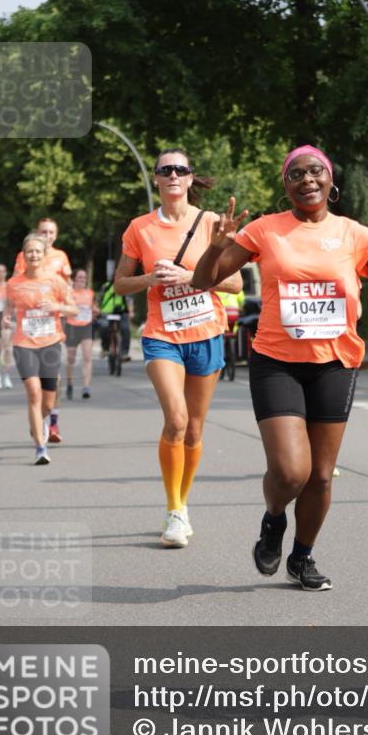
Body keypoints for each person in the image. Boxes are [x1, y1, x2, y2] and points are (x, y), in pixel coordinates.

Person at [192, 145, 368, 591]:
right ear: (287, 185)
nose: (307, 179)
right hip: (277, 361)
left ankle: (302, 556)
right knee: (290, 472)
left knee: (320, 476)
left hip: (335, 363)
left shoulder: (355, 234)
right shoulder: (264, 230)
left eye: (315, 170)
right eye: (296, 174)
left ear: (329, 179)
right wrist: (218, 244)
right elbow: (204, 280)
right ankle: (274, 520)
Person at [113, 148, 243, 548]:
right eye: (165, 170)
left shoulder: (212, 224)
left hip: (205, 332)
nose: (172, 175)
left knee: (196, 429)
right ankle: (173, 511)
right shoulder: (139, 228)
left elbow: (236, 285)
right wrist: (150, 278)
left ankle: (183, 504)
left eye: (180, 169)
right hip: (161, 334)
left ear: (190, 178)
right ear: (155, 179)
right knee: (177, 419)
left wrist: (189, 275)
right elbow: (119, 283)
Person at [5, 234, 77, 465]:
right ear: (23, 256)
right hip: (24, 343)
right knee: (33, 393)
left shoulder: (56, 281)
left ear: (44, 255)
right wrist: (6, 318)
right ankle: (40, 447)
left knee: (47, 401)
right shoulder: (13, 284)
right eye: (29, 252)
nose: (33, 255)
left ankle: (39, 422)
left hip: (50, 342)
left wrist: (57, 306)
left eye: (37, 251)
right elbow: (7, 309)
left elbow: (74, 309)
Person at [14, 218, 71, 443]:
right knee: (35, 385)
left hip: (54, 322)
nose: (47, 236)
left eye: (51, 232)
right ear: (37, 234)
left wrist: (63, 309)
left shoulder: (61, 257)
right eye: (43, 232)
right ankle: (40, 421)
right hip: (29, 324)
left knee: (53, 378)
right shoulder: (26, 255)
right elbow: (19, 284)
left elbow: (66, 290)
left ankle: (51, 421)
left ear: (55, 236)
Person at [65, 269, 97, 399]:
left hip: (86, 327)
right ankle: (69, 383)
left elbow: (93, 307)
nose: (82, 280)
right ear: (74, 279)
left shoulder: (90, 293)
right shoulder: (69, 293)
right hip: (72, 327)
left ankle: (86, 387)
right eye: (79, 277)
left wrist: (95, 310)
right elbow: (64, 309)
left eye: (84, 278)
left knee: (88, 357)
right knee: (71, 359)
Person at [97, 279, 132, 360]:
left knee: (126, 329)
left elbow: (129, 300)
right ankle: (105, 348)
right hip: (106, 312)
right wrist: (97, 308)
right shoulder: (106, 286)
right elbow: (99, 298)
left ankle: (124, 353)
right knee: (104, 327)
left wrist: (131, 311)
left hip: (122, 312)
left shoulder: (126, 286)